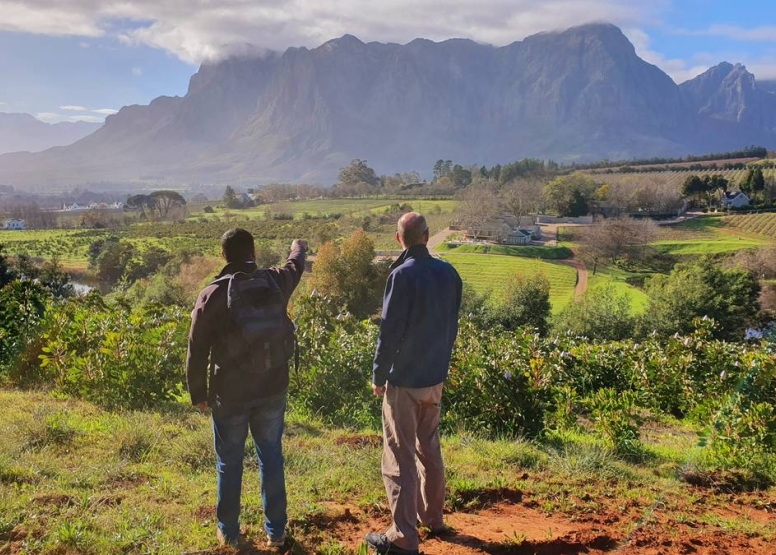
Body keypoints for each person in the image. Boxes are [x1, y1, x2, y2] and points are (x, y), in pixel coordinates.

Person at [186, 228, 307, 548]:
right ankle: (276, 533)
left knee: (229, 462)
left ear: (224, 255)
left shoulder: (212, 294)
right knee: (271, 457)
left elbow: (196, 349)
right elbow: (296, 265)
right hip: (273, 386)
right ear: (254, 251)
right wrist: (298, 246)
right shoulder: (276, 280)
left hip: (231, 393)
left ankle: (228, 531)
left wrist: (198, 393)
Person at [365, 212, 463, 555]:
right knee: (429, 447)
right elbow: (452, 326)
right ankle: (433, 518)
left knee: (399, 456)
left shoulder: (402, 275)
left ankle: (403, 537)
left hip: (404, 380)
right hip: (434, 378)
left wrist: (380, 374)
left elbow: (389, 330)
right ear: (426, 235)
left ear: (398, 239)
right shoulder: (449, 273)